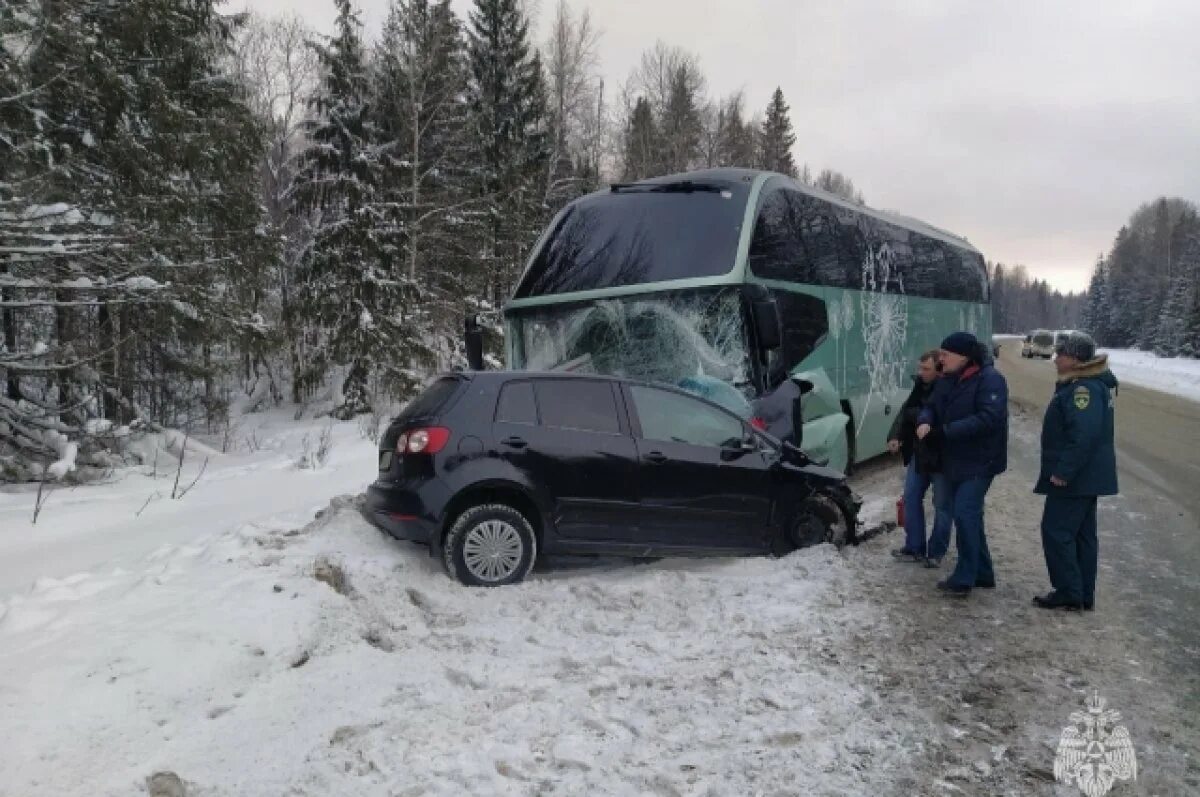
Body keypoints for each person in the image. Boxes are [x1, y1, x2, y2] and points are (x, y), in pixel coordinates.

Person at [917, 332, 1009, 596]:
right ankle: (983, 572)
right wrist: (925, 419)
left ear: (964, 356)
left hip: (981, 460)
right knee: (971, 516)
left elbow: (988, 419)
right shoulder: (948, 379)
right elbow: (931, 406)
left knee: (965, 512)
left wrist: (945, 431)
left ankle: (964, 576)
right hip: (956, 459)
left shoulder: (991, 380)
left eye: (946, 355)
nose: (940, 359)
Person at [1032, 332, 1118, 611]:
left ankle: (1069, 591)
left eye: (1062, 354)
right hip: (1086, 477)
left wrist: (1064, 471)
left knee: (1056, 531)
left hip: (1077, 478)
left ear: (1076, 358)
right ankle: (1081, 594)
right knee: (1081, 535)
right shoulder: (1087, 385)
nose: (1056, 358)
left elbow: (1084, 435)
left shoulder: (1084, 389)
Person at [888, 351, 953, 566]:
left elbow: (939, 416)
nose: (921, 373)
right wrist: (895, 436)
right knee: (910, 498)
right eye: (920, 368)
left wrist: (916, 416)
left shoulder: (949, 387)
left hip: (942, 456)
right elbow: (905, 412)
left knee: (942, 505)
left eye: (926, 369)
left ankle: (936, 552)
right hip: (920, 452)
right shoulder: (919, 387)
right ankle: (914, 546)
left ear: (938, 369)